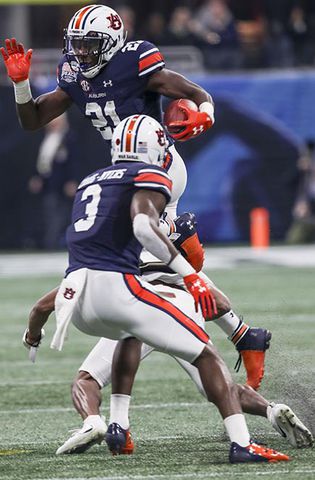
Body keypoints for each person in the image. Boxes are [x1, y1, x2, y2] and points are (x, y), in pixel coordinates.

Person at [1, 4, 272, 390]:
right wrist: (21, 84)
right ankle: (244, 334)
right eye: (76, 44)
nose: (81, 53)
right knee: (157, 264)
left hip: (157, 168)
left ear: (111, 44)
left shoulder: (135, 62)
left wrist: (205, 113)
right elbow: (32, 121)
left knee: (150, 258)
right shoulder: (74, 73)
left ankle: (233, 335)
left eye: (90, 45)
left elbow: (194, 92)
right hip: (126, 173)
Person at [24, 114, 294, 463]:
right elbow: (145, 228)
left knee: (122, 340)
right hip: (127, 290)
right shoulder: (150, 179)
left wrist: (33, 333)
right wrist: (192, 274)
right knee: (206, 358)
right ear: (152, 148)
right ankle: (242, 443)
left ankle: (116, 424)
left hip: (78, 292)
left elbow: (46, 301)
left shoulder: (91, 182)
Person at [24, 211, 313, 455]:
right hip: (181, 315)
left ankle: (100, 423)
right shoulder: (185, 268)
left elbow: (44, 305)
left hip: (138, 312)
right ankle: (270, 412)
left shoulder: (118, 255)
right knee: (219, 387)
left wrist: (32, 336)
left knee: (87, 378)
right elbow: (221, 304)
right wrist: (226, 326)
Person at [27, 113, 78, 249]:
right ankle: (48, 243)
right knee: (48, 214)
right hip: (47, 183)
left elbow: (73, 161)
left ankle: (54, 244)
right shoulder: (45, 137)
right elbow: (41, 161)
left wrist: (72, 180)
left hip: (62, 183)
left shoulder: (69, 138)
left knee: (60, 215)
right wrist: (37, 176)